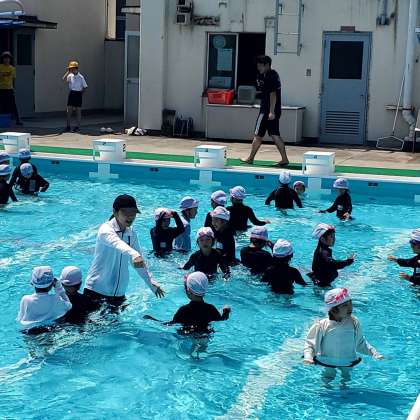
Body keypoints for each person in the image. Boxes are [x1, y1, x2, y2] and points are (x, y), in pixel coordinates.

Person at [84, 195, 164, 309]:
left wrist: (151, 283)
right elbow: (117, 243)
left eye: (133, 212)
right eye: (126, 212)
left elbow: (138, 263)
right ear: (115, 212)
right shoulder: (105, 230)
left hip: (119, 295)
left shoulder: (131, 234)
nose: (130, 216)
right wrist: (134, 254)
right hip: (96, 291)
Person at [304, 288, 383, 384]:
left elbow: (360, 342)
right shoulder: (321, 325)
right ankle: (325, 389)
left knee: (346, 378)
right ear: (333, 310)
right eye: (345, 305)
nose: (350, 308)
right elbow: (311, 344)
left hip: (347, 360)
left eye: (350, 303)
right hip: (328, 360)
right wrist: (308, 357)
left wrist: (374, 353)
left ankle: (344, 389)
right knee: (328, 376)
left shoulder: (354, 322)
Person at [240, 55, 289, 167]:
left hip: (267, 111)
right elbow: (265, 91)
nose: (258, 68)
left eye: (260, 66)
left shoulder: (270, 76)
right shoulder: (269, 75)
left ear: (267, 65)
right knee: (275, 134)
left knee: (258, 135)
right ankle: (284, 159)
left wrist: (271, 111)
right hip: (274, 110)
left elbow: (273, 95)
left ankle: (250, 158)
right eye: (257, 66)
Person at [17, 266, 72, 331]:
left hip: (29, 331)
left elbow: (20, 318)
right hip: (50, 330)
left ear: (32, 283)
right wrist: (59, 288)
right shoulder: (55, 299)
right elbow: (69, 306)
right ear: (52, 284)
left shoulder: (25, 299)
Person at [308, 223, 355, 287]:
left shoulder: (322, 250)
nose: (334, 239)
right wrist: (347, 262)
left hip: (319, 280)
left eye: (334, 236)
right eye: (331, 237)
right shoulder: (323, 252)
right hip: (322, 285)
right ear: (322, 239)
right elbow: (332, 264)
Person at [62, 60, 88, 132]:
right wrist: (68, 72)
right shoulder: (70, 76)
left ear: (76, 68)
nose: (71, 70)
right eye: (70, 68)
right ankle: (68, 126)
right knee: (69, 110)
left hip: (78, 94)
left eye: (72, 68)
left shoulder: (81, 77)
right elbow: (63, 79)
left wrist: (81, 94)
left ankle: (78, 126)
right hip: (72, 93)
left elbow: (85, 87)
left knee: (78, 111)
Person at [0, 51, 22, 125]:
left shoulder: (12, 68)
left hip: (9, 89)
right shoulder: (0, 67)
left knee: (13, 105)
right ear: (3, 59)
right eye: (5, 58)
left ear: (10, 59)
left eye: (8, 58)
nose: (6, 60)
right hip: (1, 89)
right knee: (1, 104)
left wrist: (13, 88)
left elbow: (13, 79)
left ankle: (18, 120)